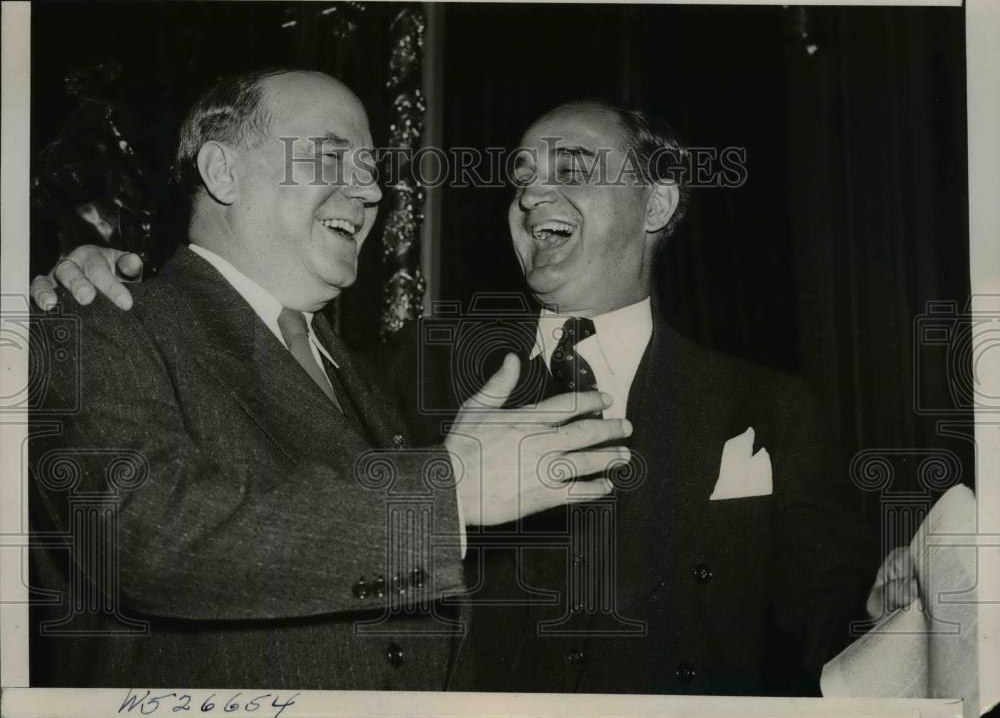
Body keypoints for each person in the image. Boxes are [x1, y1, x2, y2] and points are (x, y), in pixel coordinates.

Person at [33, 100, 911, 696]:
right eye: (522, 177)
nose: (532, 193)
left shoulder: (770, 403)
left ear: (659, 202)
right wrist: (102, 272)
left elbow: (824, 613)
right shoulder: (409, 370)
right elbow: (253, 405)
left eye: (571, 167)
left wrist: (882, 613)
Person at [26, 70, 631, 690]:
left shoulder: (367, 374)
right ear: (223, 172)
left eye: (370, 168)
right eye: (331, 157)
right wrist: (444, 497)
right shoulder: (93, 319)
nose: (370, 190)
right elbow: (147, 538)